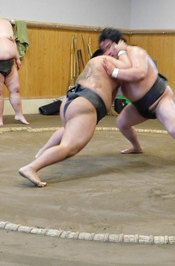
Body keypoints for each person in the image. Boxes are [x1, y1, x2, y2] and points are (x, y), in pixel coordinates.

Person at [100, 28, 175, 168]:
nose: (107, 52)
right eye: (104, 49)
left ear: (119, 42)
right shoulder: (117, 63)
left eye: (108, 46)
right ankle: (137, 147)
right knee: (122, 123)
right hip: (139, 106)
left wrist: (115, 72)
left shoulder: (135, 52)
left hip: (159, 99)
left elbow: (140, 73)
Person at [18, 54, 121, 187]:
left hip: (70, 99)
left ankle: (42, 153)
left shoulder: (93, 64)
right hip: (87, 103)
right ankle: (31, 167)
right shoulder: (116, 67)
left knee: (68, 130)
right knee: (69, 147)